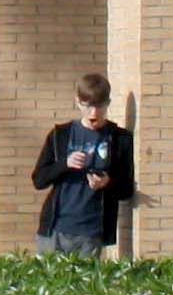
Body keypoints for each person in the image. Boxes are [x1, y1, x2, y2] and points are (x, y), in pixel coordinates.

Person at [30, 72, 134, 258]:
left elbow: (126, 190)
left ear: (108, 104)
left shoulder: (120, 138)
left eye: (100, 106)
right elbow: (39, 180)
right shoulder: (60, 135)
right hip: (55, 229)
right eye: (88, 106)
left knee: (83, 285)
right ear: (78, 102)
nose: (94, 113)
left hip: (91, 232)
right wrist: (65, 163)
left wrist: (107, 182)